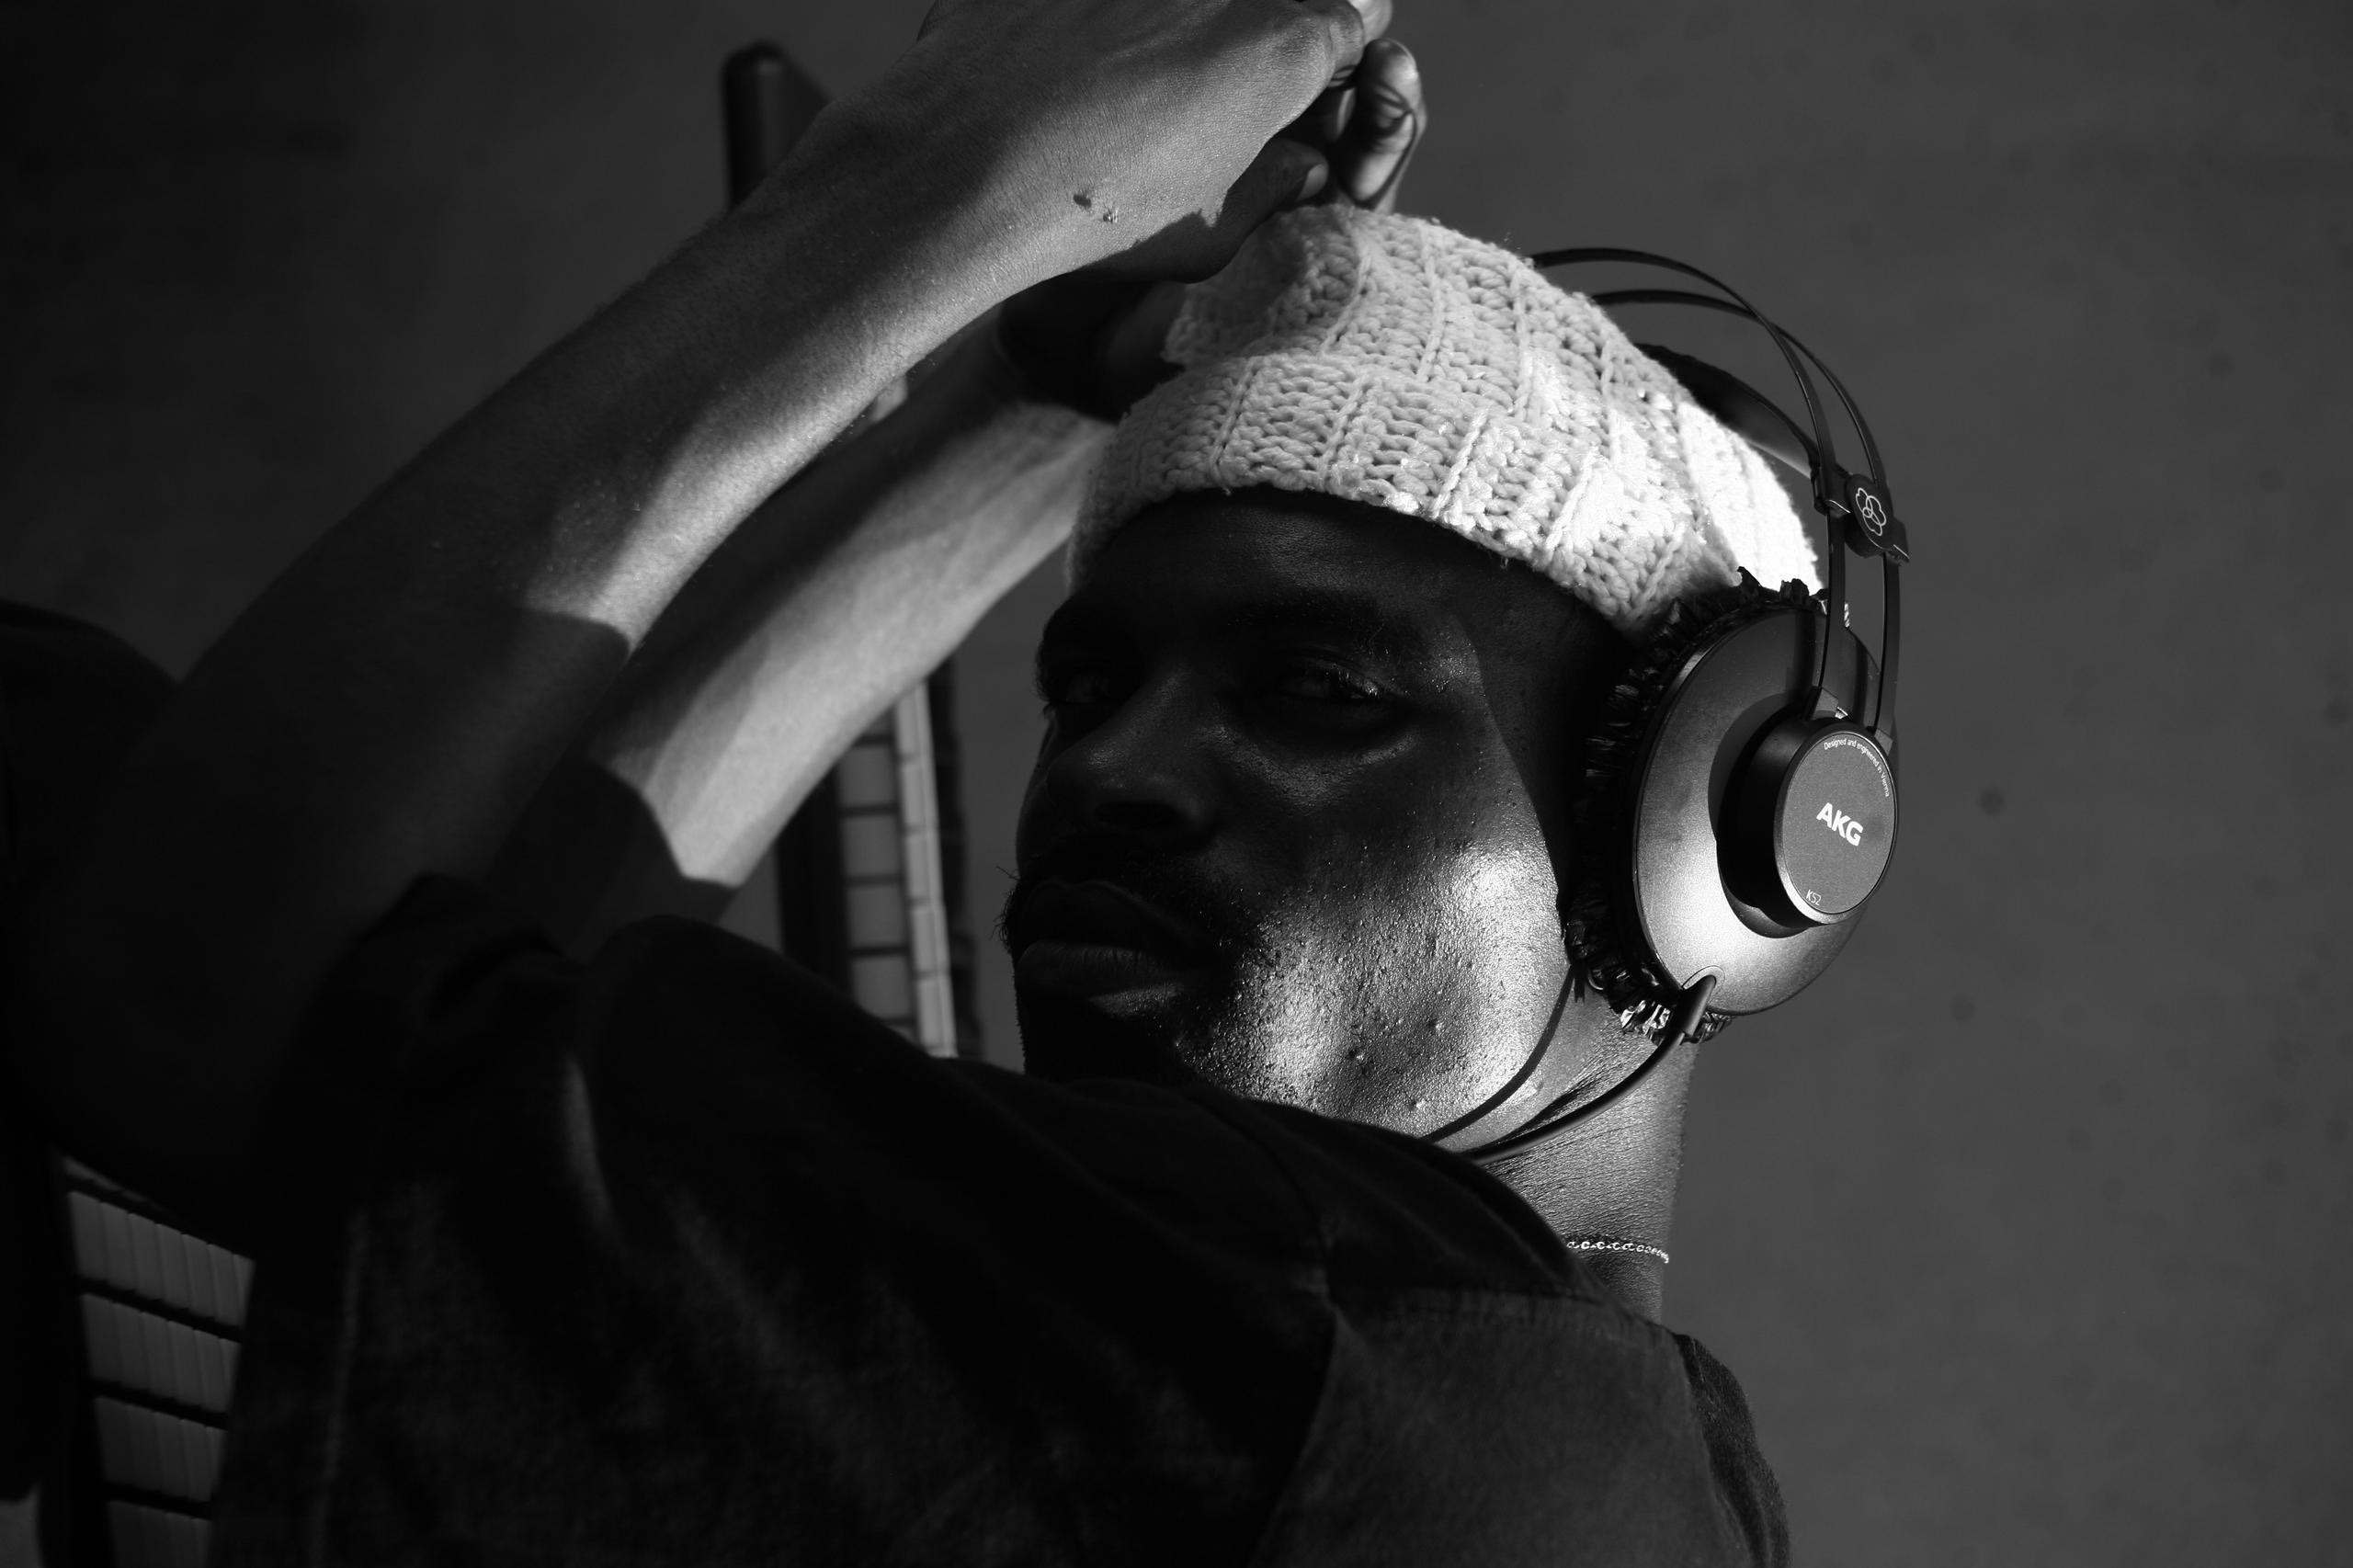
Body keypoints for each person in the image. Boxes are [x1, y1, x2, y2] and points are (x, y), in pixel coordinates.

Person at [6, 0, 1802, 1560]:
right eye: (1084, 685)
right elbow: (431, 1026)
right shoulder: (1588, 1442)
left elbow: (198, 986)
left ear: (1677, 846)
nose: (1111, 771)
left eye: (1314, 692)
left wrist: (921, 188)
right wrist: (1030, 407)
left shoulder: (1284, 1336)